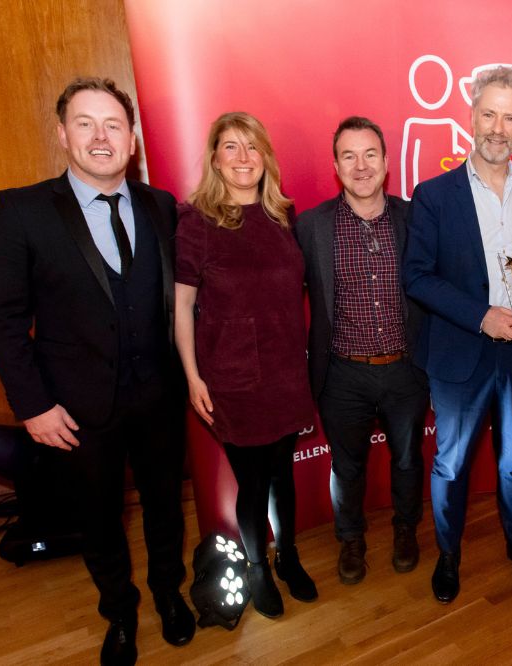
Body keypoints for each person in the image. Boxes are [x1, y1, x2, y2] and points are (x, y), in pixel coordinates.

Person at [0, 77, 194, 665]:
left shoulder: (161, 206)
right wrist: (32, 405)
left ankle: (168, 595)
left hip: (157, 398)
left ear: (132, 140)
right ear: (62, 134)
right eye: (85, 123)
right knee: (99, 517)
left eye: (113, 125)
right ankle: (119, 613)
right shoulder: (20, 210)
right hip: (74, 409)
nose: (101, 137)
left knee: (165, 509)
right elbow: (1, 320)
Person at [403, 65, 512, 604]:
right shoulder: (434, 194)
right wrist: (480, 315)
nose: (497, 126)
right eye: (488, 113)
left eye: (509, 116)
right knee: (451, 462)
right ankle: (449, 554)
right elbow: (417, 275)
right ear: (470, 115)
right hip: (459, 352)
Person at [174, 112, 317, 620]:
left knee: (284, 475)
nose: (242, 158)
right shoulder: (196, 221)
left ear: (265, 158)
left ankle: (289, 557)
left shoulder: (283, 215)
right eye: (230, 147)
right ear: (214, 158)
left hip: (285, 370)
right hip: (231, 379)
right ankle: (258, 566)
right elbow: (182, 306)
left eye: (251, 147)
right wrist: (192, 377)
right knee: (253, 483)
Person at [296, 116, 428, 585]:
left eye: (370, 154)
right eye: (348, 156)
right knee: (346, 466)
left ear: (387, 162)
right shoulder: (310, 226)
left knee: (409, 460)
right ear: (335, 166)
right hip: (342, 374)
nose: (361, 165)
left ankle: (406, 530)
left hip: (405, 370)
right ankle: (350, 539)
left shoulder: (416, 218)